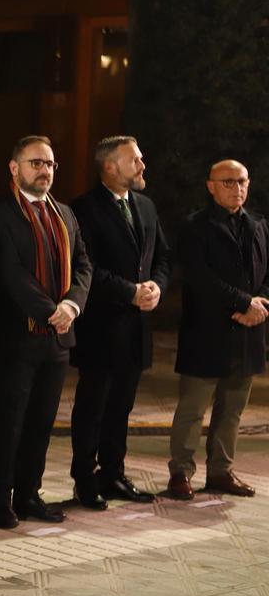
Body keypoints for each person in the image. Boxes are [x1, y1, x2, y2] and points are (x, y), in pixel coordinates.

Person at [0, 135, 92, 528]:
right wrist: (51, 312)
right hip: (15, 335)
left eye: (49, 164)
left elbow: (83, 266)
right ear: (15, 168)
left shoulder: (65, 214)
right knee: (9, 420)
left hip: (57, 337)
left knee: (42, 420)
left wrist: (71, 306)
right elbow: (10, 274)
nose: (44, 171)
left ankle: (29, 494)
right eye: (35, 163)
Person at [69, 136, 170, 509]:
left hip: (136, 330)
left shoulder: (145, 205)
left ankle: (113, 474)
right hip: (101, 327)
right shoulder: (84, 208)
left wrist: (157, 287)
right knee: (92, 407)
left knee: (121, 407)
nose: (143, 166)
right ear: (109, 167)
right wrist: (129, 292)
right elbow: (86, 268)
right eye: (135, 160)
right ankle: (84, 478)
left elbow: (162, 257)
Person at [167, 160, 266, 500]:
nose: (236, 188)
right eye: (227, 182)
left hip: (248, 334)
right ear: (210, 186)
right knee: (193, 409)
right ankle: (180, 472)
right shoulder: (195, 227)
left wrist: (260, 305)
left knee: (232, 409)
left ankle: (221, 472)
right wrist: (243, 304)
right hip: (205, 333)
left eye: (241, 181)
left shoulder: (258, 225)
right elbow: (200, 278)